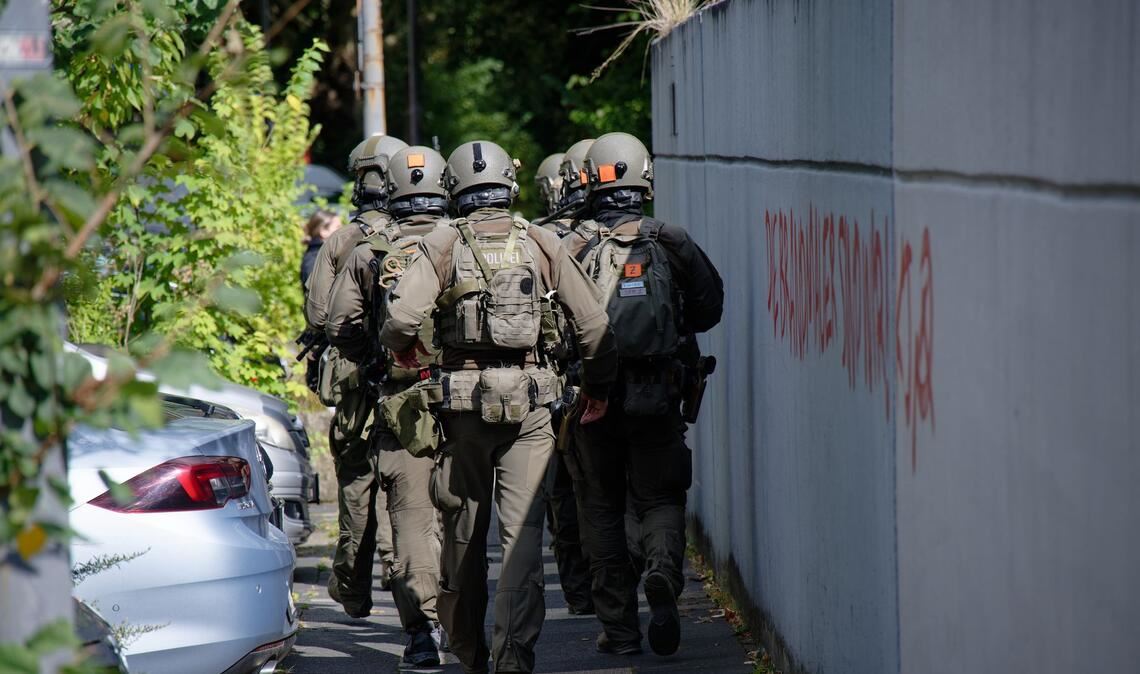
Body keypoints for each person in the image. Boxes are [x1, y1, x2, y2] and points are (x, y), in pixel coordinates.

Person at [379, 140, 618, 674]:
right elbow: (595, 325)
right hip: (532, 408)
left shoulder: (442, 243)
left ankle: (468, 651)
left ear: (453, 189)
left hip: (461, 409)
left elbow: (398, 321)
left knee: (463, 531)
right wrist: (598, 390)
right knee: (522, 539)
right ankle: (514, 658)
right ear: (509, 185)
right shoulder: (540, 241)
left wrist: (406, 351)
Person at [564, 132, 724, 657]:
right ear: (643, 179)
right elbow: (709, 309)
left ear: (588, 180)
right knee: (660, 498)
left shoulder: (572, 246)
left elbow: (552, 326)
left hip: (593, 400)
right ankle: (661, 571)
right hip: (660, 395)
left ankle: (620, 631)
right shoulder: (670, 240)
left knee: (602, 511)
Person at [325, 146, 450, 666]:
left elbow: (333, 324)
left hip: (403, 404)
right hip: (485, 402)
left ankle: (423, 634)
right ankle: (495, 635)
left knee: (414, 523)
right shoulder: (474, 240)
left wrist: (374, 362)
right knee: (485, 520)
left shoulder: (364, 249)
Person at [304, 132, 408, 618]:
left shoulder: (343, 241)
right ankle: (402, 569)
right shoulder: (426, 236)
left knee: (357, 480)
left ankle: (352, 585)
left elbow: (319, 315)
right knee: (410, 479)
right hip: (410, 379)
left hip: (353, 382)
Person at [533, 147, 595, 616]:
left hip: (557, 389)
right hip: (604, 381)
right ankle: (624, 578)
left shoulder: (544, 241)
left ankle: (579, 592)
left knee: (561, 494)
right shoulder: (644, 236)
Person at [300, 210, 342, 291]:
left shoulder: (326, 254)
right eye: (338, 227)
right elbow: (317, 292)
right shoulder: (314, 258)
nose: (343, 230)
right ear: (323, 231)